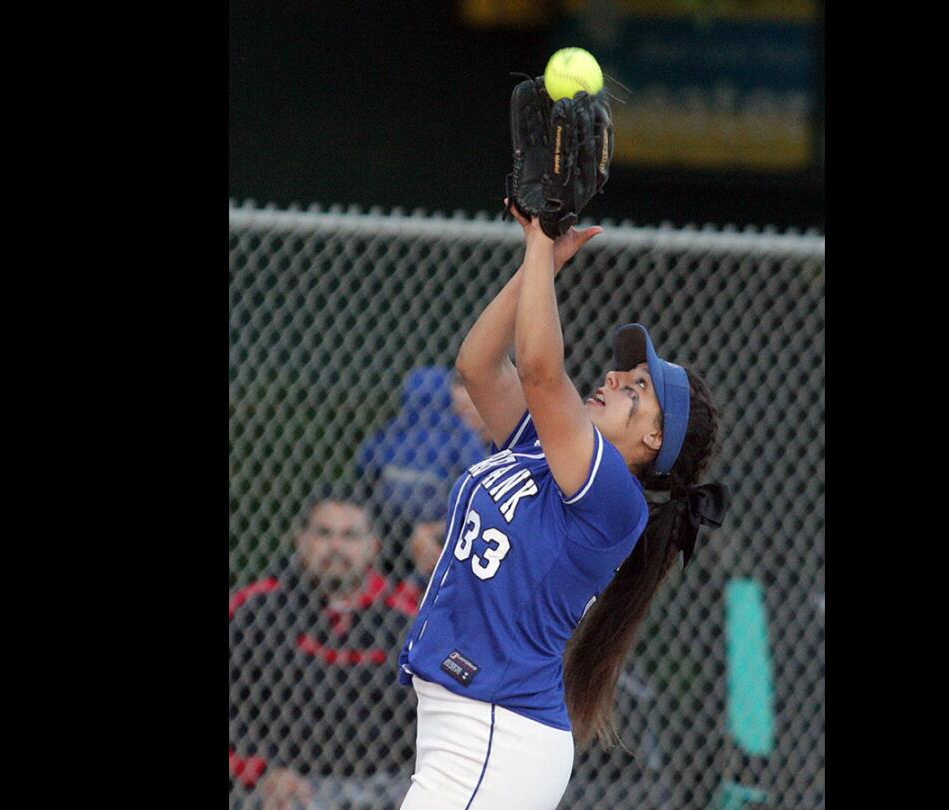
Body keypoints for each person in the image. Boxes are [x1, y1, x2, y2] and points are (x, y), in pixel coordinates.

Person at [394, 202, 728, 810]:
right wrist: (538, 262)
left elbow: (544, 375)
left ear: (655, 440)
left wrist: (542, 249)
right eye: (624, 374)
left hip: (496, 731)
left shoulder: (616, 500)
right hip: (472, 724)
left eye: (637, 391)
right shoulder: (541, 451)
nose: (613, 379)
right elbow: (478, 366)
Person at [229, 486, 420, 810]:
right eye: (323, 534)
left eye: (350, 536)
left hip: (389, 786)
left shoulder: (406, 620)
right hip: (284, 787)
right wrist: (259, 773)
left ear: (374, 547)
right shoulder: (256, 608)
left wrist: (421, 786)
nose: (335, 547)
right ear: (300, 540)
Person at [355, 366, 492, 581]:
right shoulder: (454, 439)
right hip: (395, 533)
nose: (465, 403)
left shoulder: (393, 434)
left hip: (445, 534)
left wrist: (437, 529)